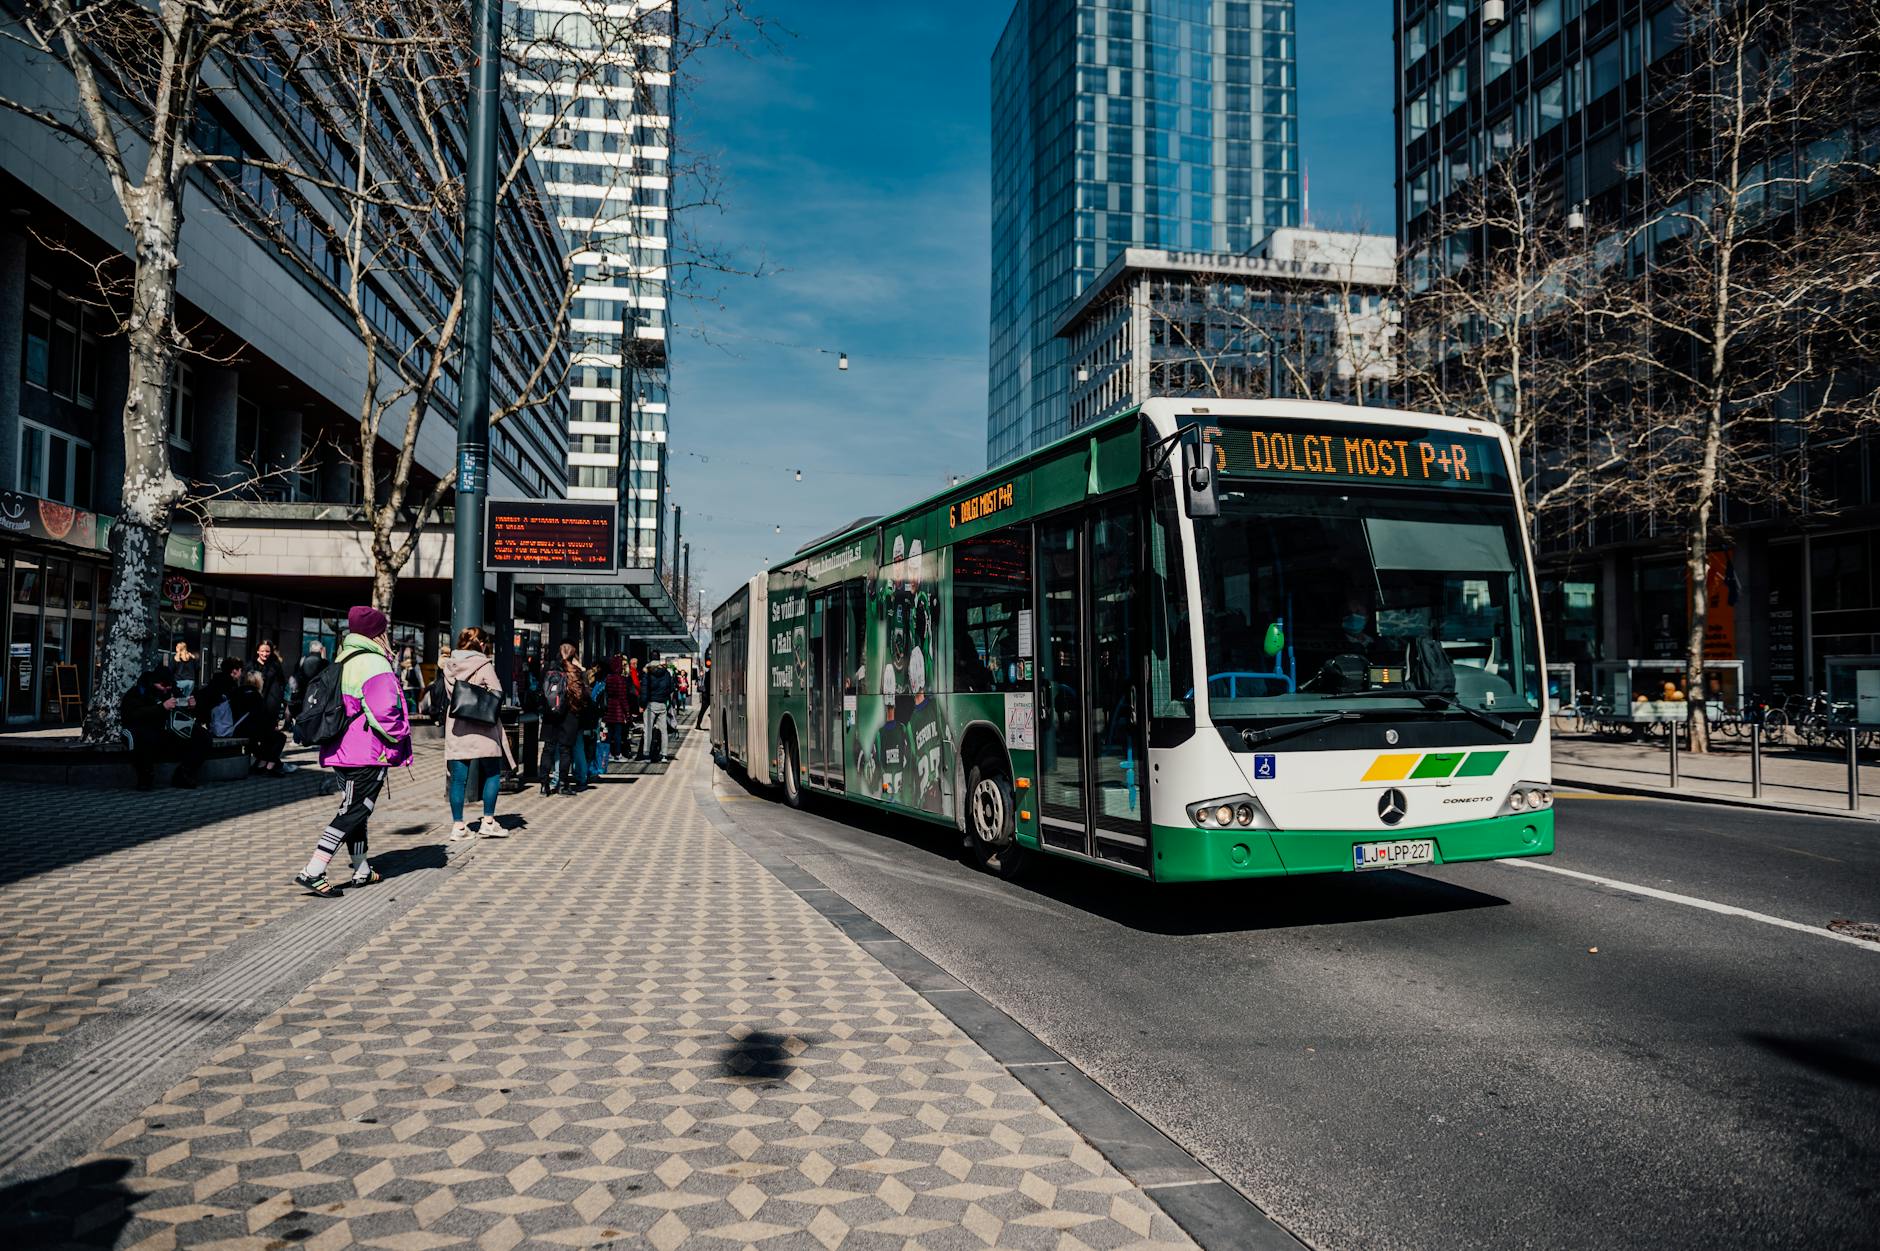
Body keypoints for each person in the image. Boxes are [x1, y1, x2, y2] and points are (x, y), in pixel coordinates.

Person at [293, 606, 411, 898]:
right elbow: (383, 711)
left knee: (356, 808)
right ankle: (313, 870)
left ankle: (361, 868)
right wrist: (400, 735)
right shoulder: (374, 662)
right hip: (366, 751)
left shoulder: (345, 657)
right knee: (355, 809)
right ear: (378, 633)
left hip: (342, 750)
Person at [443, 626, 515, 841]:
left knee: (458, 779)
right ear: (481, 644)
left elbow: (449, 694)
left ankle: (458, 826)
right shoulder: (483, 664)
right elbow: (497, 691)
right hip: (483, 725)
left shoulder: (449, 665)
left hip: (457, 725)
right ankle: (488, 822)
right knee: (492, 773)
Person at [120, 666, 208, 790]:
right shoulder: (137, 692)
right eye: (163, 685)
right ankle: (145, 777)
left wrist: (191, 706)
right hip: (144, 730)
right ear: (154, 682)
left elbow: (187, 713)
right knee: (144, 737)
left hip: (169, 731)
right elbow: (134, 715)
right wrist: (162, 707)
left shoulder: (172, 690)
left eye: (169, 685)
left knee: (202, 736)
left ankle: (184, 773)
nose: (166, 689)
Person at [539, 643, 587, 794]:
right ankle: (563, 785)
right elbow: (584, 695)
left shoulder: (548, 669)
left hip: (550, 715)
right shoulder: (576, 672)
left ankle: (544, 785)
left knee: (548, 749)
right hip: (569, 715)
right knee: (565, 751)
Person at [234, 670, 291, 775]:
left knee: (267, 739)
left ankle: (260, 764)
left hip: (237, 729)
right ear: (257, 682)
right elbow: (260, 717)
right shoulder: (255, 695)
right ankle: (270, 767)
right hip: (250, 730)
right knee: (280, 738)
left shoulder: (239, 692)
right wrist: (272, 726)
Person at [247, 640, 288, 727]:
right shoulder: (251, 665)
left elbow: (282, 682)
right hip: (255, 702)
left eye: (267, 651)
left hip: (271, 704)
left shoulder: (275, 665)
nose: (265, 654)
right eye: (262, 651)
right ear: (257, 651)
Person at [605, 654, 637, 765]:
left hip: (610, 707)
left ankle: (608, 753)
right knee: (618, 734)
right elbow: (623, 697)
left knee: (609, 733)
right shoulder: (621, 680)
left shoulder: (608, 678)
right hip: (618, 709)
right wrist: (627, 711)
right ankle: (617, 754)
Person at [642, 660, 674, 762]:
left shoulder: (648, 675)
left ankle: (647, 754)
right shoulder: (667, 674)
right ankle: (664, 754)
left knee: (648, 730)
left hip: (650, 704)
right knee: (663, 730)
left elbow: (644, 691)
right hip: (662, 704)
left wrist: (642, 704)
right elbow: (671, 688)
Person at [585, 664, 609, 775]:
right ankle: (595, 767)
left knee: (584, 744)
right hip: (597, 717)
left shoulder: (584, 688)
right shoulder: (601, 686)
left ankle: (585, 768)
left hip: (586, 718)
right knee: (595, 742)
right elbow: (603, 704)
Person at [292, 641, 328, 716]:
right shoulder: (324, 663)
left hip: (302, 693)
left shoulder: (302, 660)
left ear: (310, 649)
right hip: (317, 695)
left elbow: (295, 677)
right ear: (321, 650)